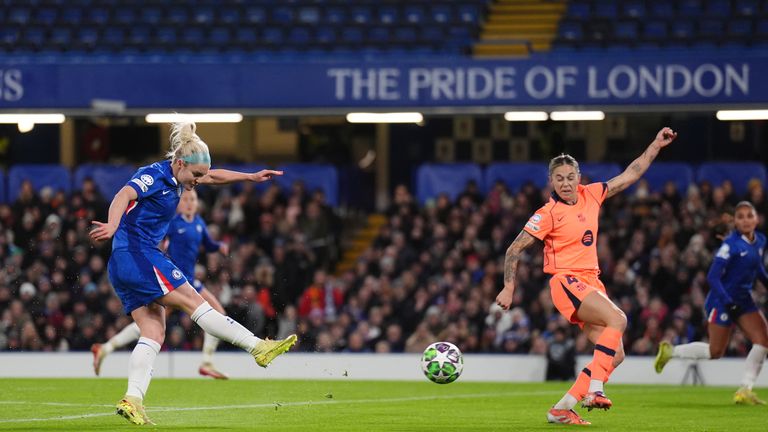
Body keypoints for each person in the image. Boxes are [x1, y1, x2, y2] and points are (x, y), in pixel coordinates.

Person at [89, 122, 297, 425]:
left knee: (153, 332)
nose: (199, 181)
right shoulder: (154, 175)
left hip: (126, 262)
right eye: (195, 175)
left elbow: (214, 175)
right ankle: (258, 347)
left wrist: (250, 176)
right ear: (178, 163)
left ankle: (132, 399)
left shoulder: (181, 178)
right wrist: (111, 223)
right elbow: (123, 194)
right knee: (196, 301)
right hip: (138, 255)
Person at [495, 127, 677, 425]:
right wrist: (508, 286)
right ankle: (595, 391)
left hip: (591, 282)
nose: (565, 183)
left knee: (614, 355)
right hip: (565, 281)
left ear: (579, 177)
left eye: (570, 177)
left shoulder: (591, 194)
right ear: (551, 181)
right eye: (559, 178)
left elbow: (631, 174)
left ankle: (561, 409)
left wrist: (655, 145)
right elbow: (514, 248)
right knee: (618, 319)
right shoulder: (547, 213)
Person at [91, 188, 233, 380]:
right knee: (152, 325)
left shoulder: (199, 224)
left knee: (216, 313)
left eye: (193, 199)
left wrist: (219, 246)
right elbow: (155, 239)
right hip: (170, 280)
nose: (190, 202)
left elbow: (208, 245)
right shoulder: (173, 223)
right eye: (186, 199)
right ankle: (107, 348)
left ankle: (207, 362)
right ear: (179, 203)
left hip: (189, 281)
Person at [654, 201, 768, 405]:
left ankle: (745, 389)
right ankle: (671, 351)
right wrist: (727, 301)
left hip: (743, 300)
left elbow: (758, 268)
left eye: (749, 216)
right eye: (740, 216)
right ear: (735, 221)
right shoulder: (730, 245)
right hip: (721, 301)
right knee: (715, 352)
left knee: (763, 340)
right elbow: (713, 277)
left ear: (756, 218)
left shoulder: (760, 241)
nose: (746, 220)